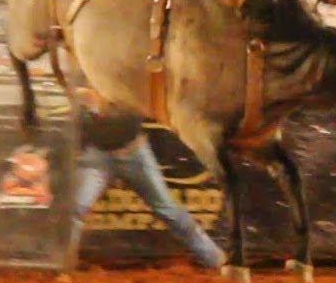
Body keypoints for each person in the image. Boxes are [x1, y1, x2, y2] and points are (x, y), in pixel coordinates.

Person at [65, 85, 225, 272]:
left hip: (134, 152)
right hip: (97, 155)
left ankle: (214, 259)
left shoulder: (120, 80)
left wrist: (95, 100)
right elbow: (74, 98)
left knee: (168, 208)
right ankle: (64, 265)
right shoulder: (82, 76)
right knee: (77, 207)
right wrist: (83, 97)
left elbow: (124, 110)